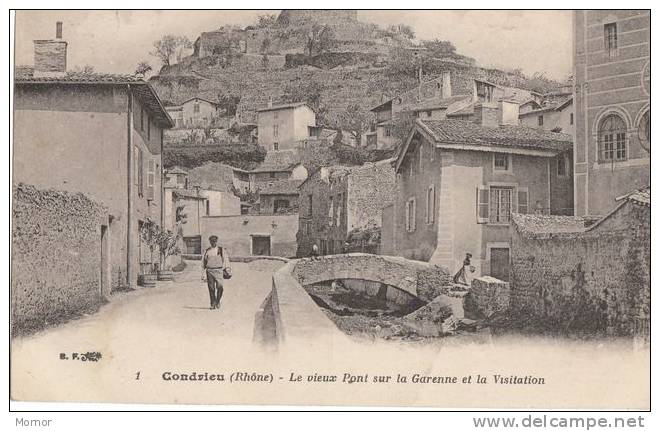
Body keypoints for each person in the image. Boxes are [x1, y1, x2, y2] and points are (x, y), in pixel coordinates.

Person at [201, 235, 230, 310]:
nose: (213, 243)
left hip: (219, 271)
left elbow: (226, 259)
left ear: (216, 241)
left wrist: (227, 269)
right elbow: (203, 262)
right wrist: (203, 273)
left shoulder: (221, 250)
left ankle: (217, 301)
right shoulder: (207, 251)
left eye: (214, 241)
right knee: (211, 288)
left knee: (220, 287)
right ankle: (212, 303)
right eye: (211, 241)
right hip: (209, 271)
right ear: (210, 242)